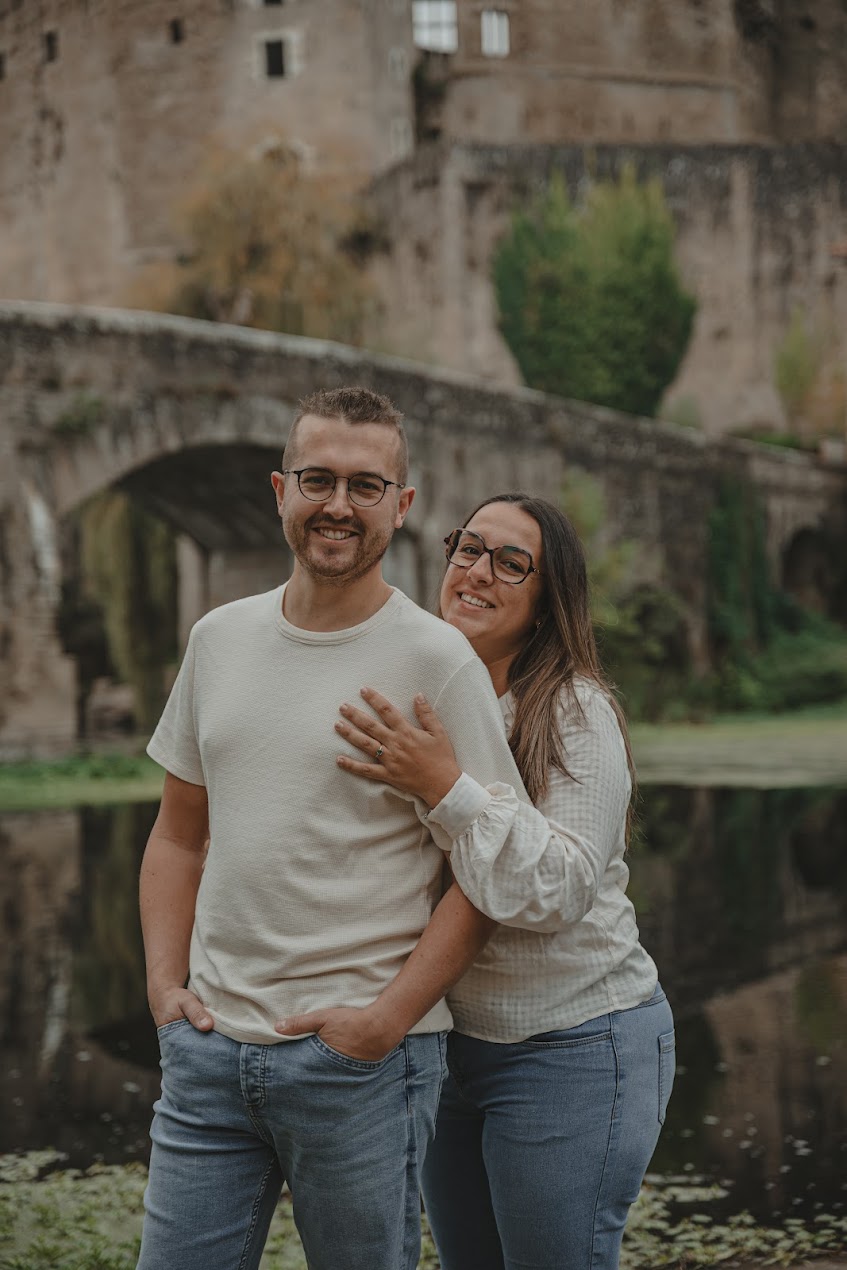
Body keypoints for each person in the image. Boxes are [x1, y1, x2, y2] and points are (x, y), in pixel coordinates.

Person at [136, 390, 534, 1270]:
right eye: (317, 481)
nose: (337, 507)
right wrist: (167, 991)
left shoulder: (437, 660)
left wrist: (385, 1022)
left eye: (365, 486)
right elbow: (177, 835)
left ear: (403, 505)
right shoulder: (217, 639)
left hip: (357, 1066)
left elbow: (488, 869)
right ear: (280, 490)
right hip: (207, 1057)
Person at [296, 493, 674, 1270]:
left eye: (510, 563)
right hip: (448, 1043)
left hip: (573, 1041)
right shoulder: (421, 695)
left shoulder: (573, 709)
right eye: (468, 549)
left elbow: (563, 888)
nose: (477, 572)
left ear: (545, 599)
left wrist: (446, 786)